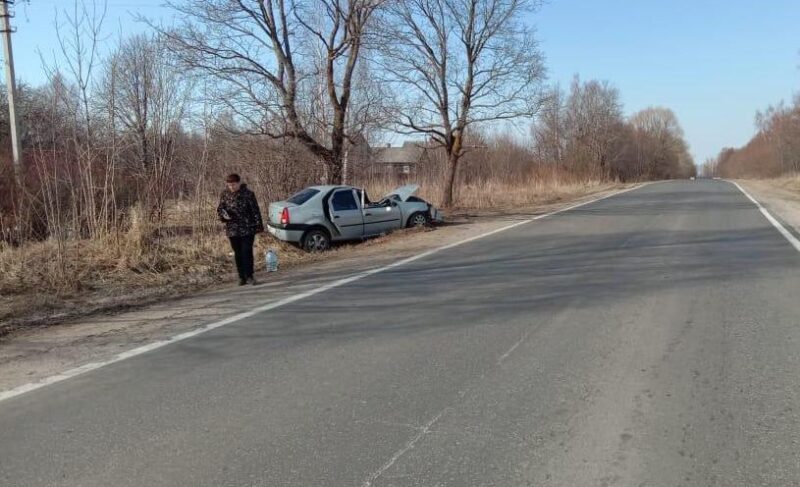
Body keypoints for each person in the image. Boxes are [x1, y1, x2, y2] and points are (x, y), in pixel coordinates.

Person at [217, 174, 264, 285]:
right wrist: (223, 215)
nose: (231, 187)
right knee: (238, 253)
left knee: (246, 251)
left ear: (238, 183)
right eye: (229, 185)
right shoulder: (224, 194)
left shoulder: (248, 194)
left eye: (233, 184)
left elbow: (255, 210)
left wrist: (259, 225)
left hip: (247, 228)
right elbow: (220, 208)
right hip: (232, 229)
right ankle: (241, 277)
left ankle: (249, 276)